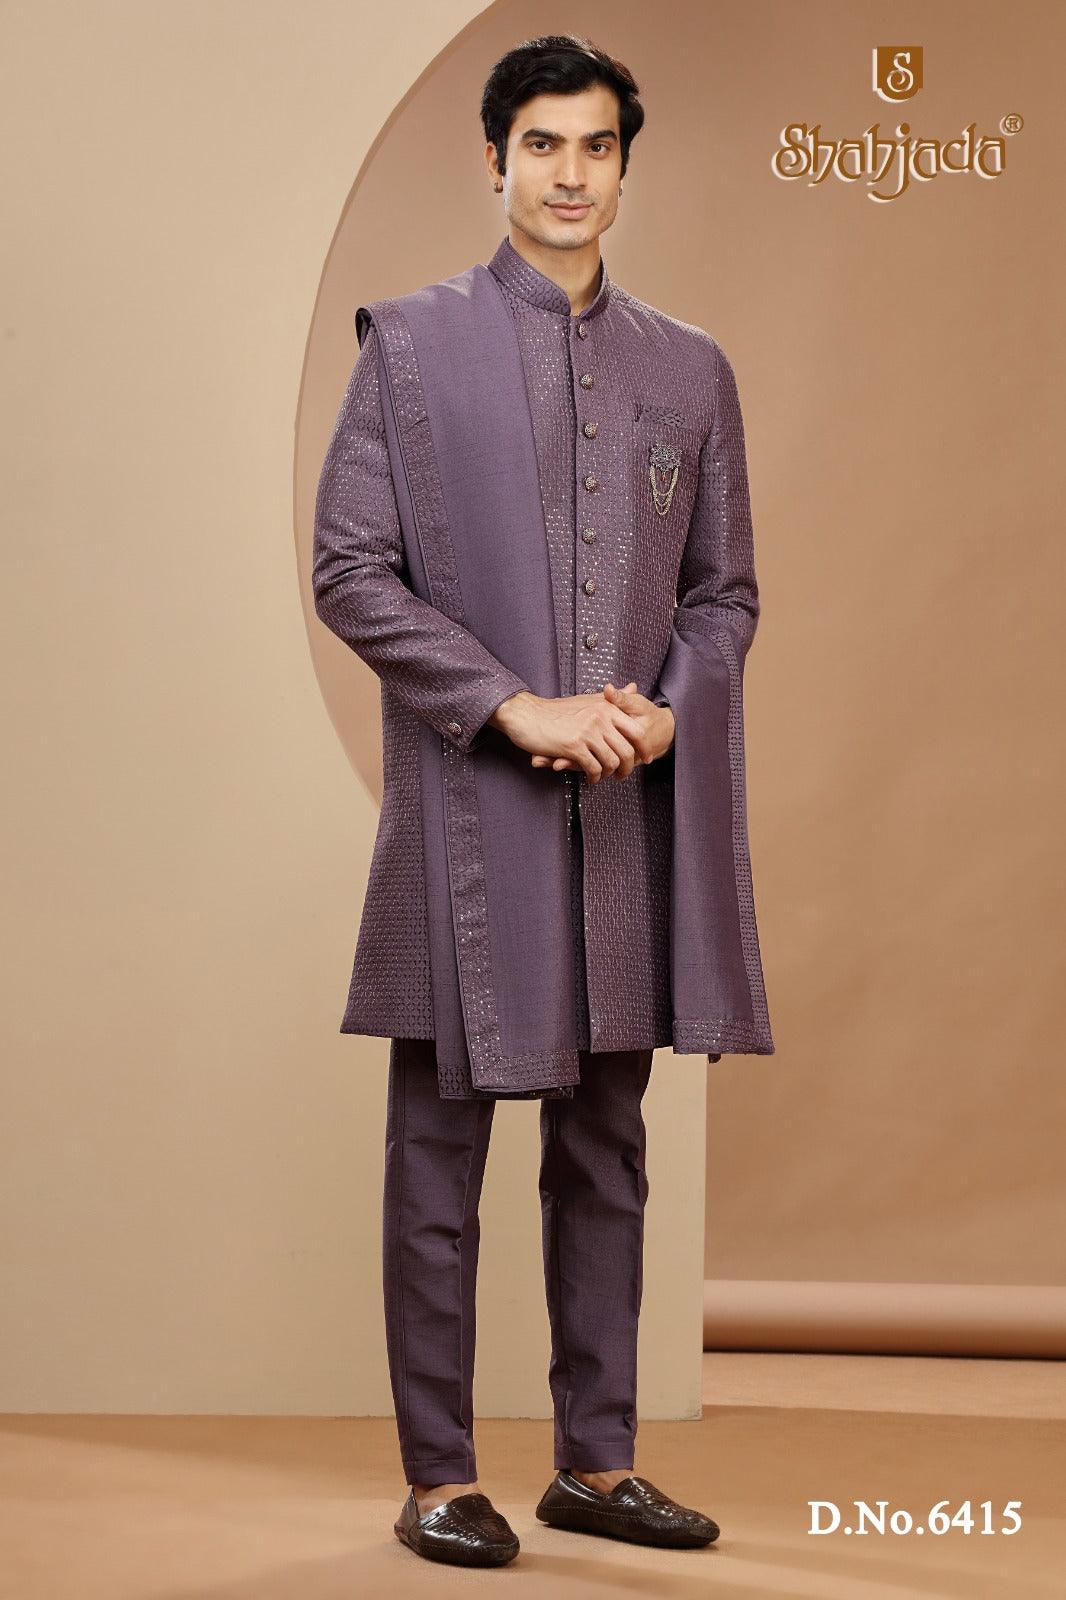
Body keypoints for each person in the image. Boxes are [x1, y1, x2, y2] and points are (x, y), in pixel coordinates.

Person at [312, 33, 774, 1567]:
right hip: (469, 817)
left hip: (620, 822)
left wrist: (659, 710)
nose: (569, 174)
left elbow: (722, 595)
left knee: (604, 1150)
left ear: (623, 169)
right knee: (438, 1157)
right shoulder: (410, 347)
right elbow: (350, 573)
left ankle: (596, 1463)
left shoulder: (687, 369)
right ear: (493, 160)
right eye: (541, 145)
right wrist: (513, 706)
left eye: (595, 147)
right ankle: (440, 1477)